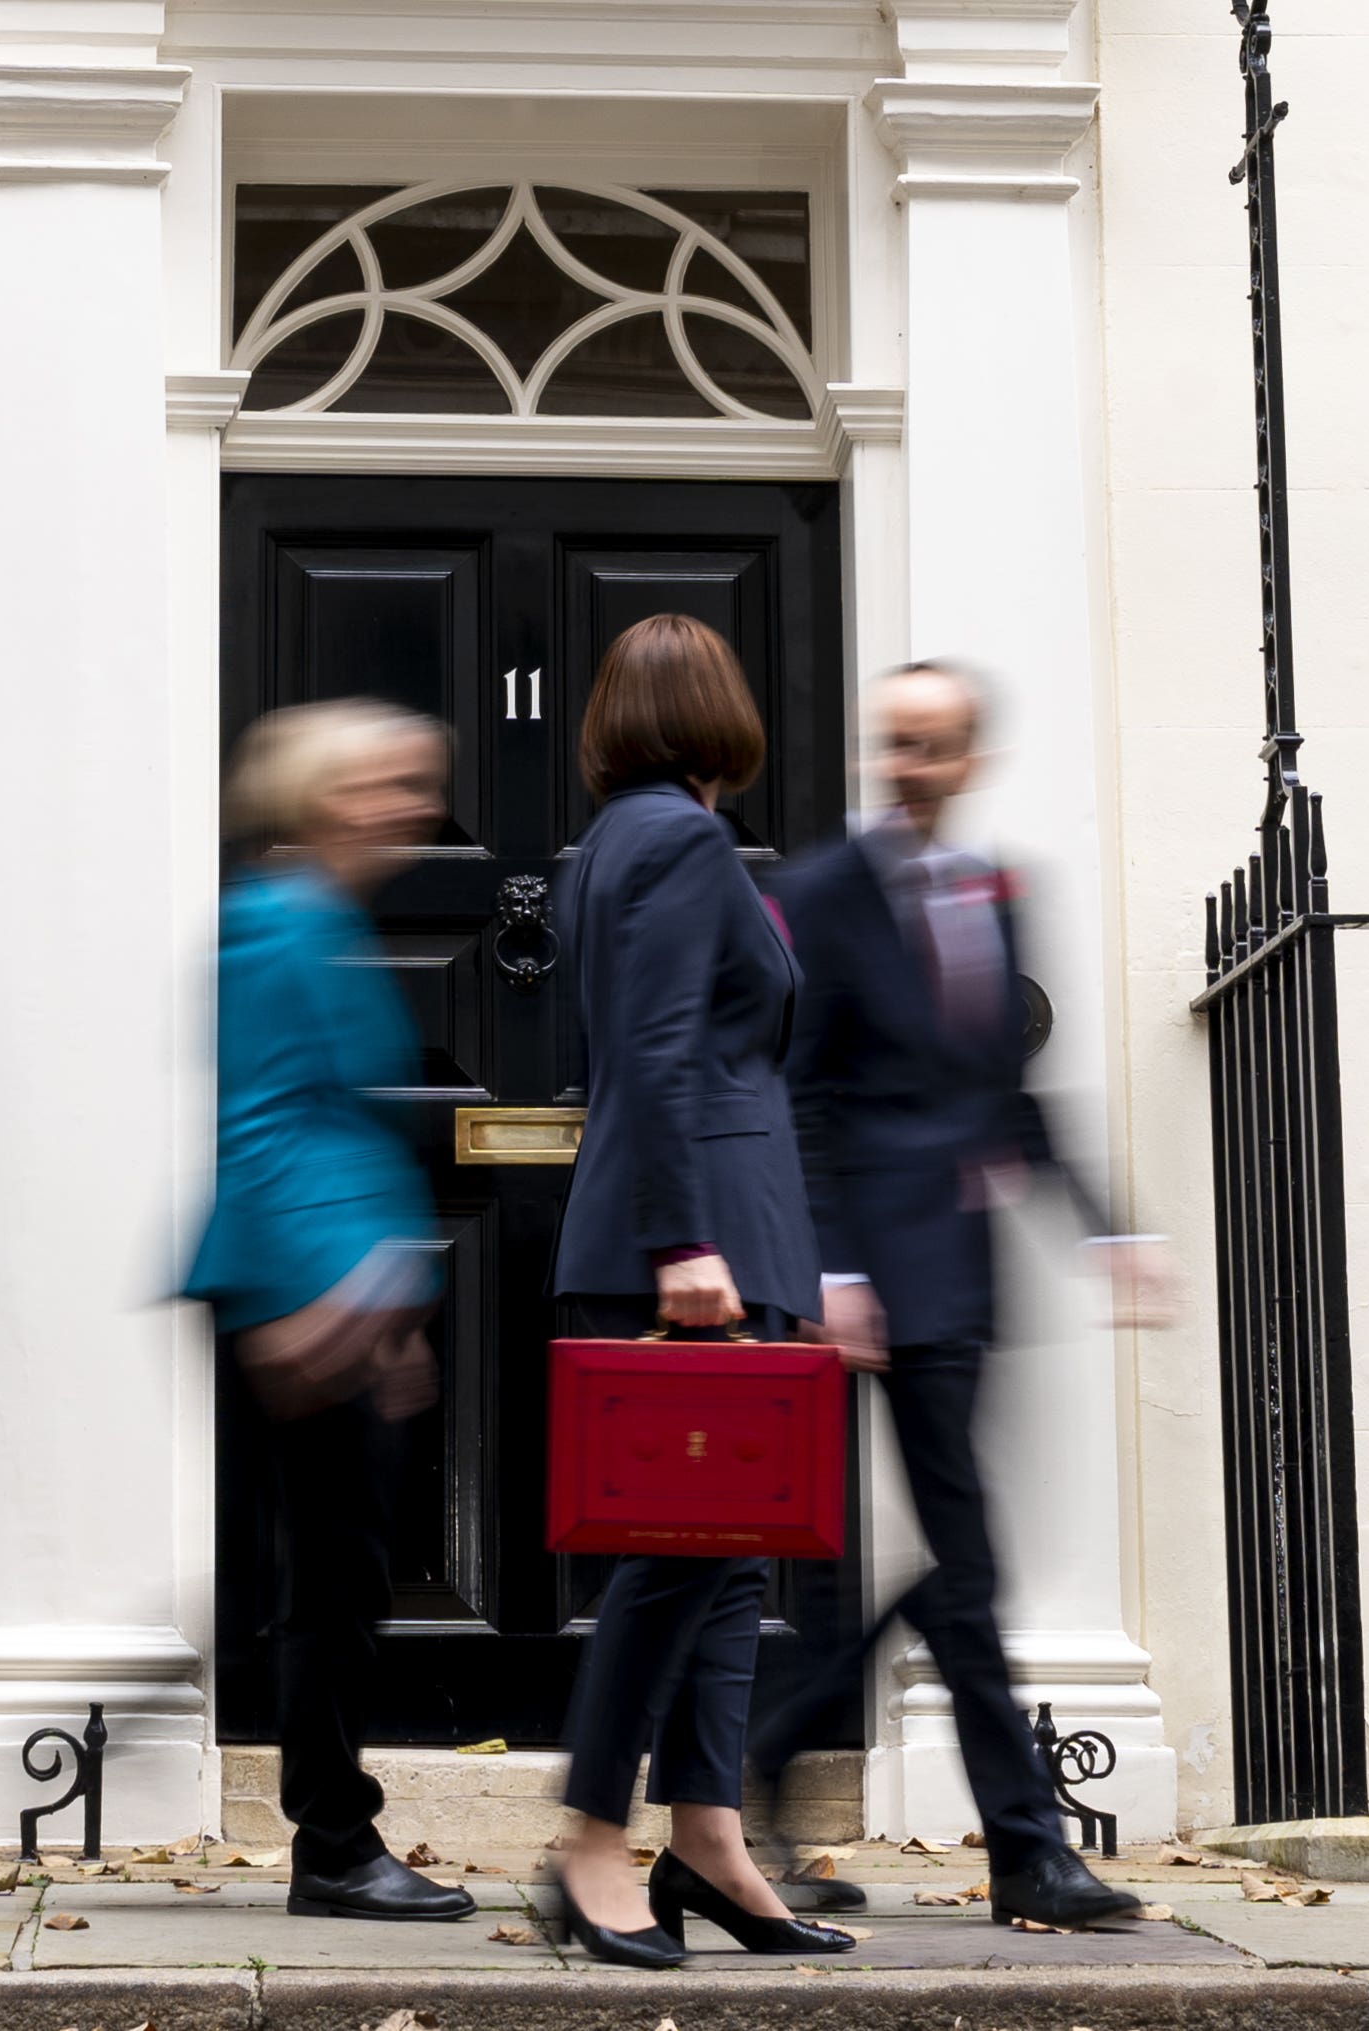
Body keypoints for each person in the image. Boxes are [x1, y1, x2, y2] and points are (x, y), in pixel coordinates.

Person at [749, 659, 1155, 1931]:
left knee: (964, 1566)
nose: (909, 763)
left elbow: (1007, 1099)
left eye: (932, 745)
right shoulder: (819, 891)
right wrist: (834, 1272)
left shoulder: (997, 896)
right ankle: (1029, 1850)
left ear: (969, 758)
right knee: (969, 1569)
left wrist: (1105, 1230)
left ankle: (782, 1741)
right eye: (895, 742)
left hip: (964, 1276)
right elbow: (796, 1091)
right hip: (874, 1283)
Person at [541, 613, 858, 1970]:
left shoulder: (607, 844)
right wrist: (685, 1246)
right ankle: (588, 1840)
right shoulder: (675, 839)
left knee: (726, 1559)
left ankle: (709, 1837)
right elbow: (663, 1050)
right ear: (721, 715)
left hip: (729, 1228)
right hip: (694, 1238)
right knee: (675, 1563)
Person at [181, 700, 474, 1924]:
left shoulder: (316, 916)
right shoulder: (273, 922)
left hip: (340, 1292)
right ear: (318, 796)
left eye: (418, 782)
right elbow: (263, 1123)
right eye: (387, 782)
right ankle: (334, 1844)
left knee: (341, 1572)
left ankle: (336, 1835)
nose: (413, 803)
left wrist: (389, 1300)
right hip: (302, 1293)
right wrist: (316, 1299)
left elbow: (339, 1122)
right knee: (330, 1579)